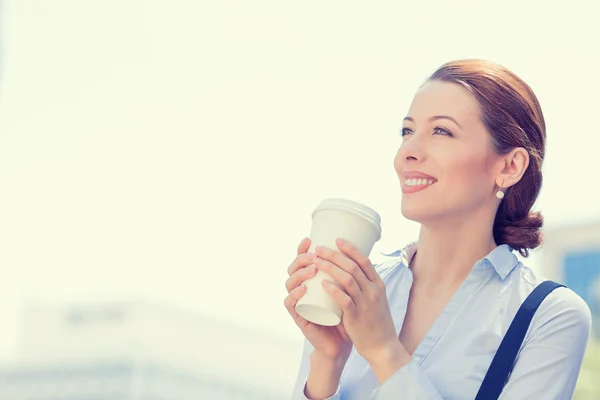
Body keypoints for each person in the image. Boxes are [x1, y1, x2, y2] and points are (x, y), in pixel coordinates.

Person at [283, 59, 592, 400]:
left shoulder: (549, 315)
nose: (408, 153)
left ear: (509, 166)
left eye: (441, 131)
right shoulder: (357, 291)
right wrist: (327, 362)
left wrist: (384, 350)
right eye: (407, 131)